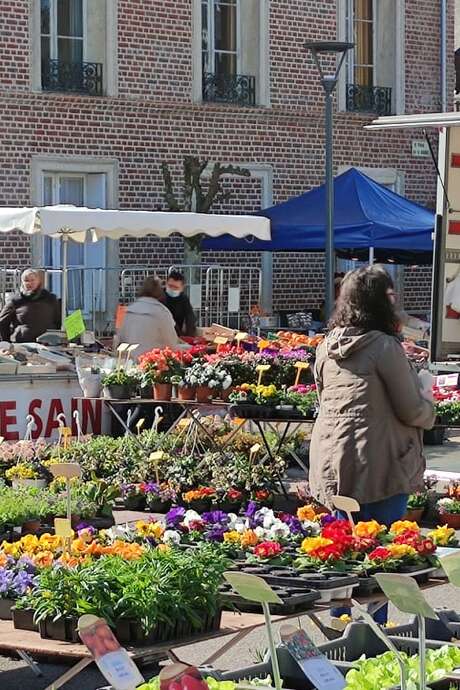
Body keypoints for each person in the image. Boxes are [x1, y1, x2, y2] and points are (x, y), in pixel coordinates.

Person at [309, 265, 435, 621]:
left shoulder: (326, 346)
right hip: (379, 461)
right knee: (381, 552)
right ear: (381, 302)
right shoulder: (384, 346)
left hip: (333, 462)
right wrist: (430, 406)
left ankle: (341, 625)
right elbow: (411, 409)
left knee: (342, 548)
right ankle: (372, 635)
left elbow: (324, 400)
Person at [118, 275, 189, 358]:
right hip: (151, 362)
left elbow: (119, 338)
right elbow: (171, 343)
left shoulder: (124, 312)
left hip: (128, 361)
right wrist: (188, 348)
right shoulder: (162, 312)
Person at [0, 268, 60, 343]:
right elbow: (2, 323)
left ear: (38, 281)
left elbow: (59, 321)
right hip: (22, 344)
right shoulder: (15, 300)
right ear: (22, 282)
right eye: (26, 280)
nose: (29, 283)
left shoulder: (50, 299)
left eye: (32, 280)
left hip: (47, 343)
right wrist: (6, 342)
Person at [163, 269, 196, 337]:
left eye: (175, 287)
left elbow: (190, 318)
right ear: (166, 284)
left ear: (182, 288)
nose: (172, 289)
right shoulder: (159, 296)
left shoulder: (184, 299)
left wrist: (189, 336)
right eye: (170, 286)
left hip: (177, 334)